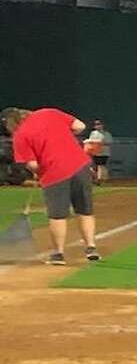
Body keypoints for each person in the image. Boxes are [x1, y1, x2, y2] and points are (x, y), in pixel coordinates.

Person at [4, 104, 99, 262]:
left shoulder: (20, 136)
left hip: (54, 173)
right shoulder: (49, 113)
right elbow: (80, 126)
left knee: (57, 215)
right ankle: (91, 247)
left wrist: (37, 172)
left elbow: (33, 164)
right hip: (80, 165)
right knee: (84, 210)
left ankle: (59, 254)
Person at [82, 117, 113, 182]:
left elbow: (109, 142)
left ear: (102, 125)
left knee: (101, 165)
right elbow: (91, 141)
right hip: (94, 152)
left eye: (99, 124)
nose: (97, 126)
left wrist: (100, 143)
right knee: (94, 166)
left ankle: (101, 179)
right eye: (96, 124)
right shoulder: (93, 133)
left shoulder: (106, 134)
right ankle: (97, 179)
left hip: (103, 152)